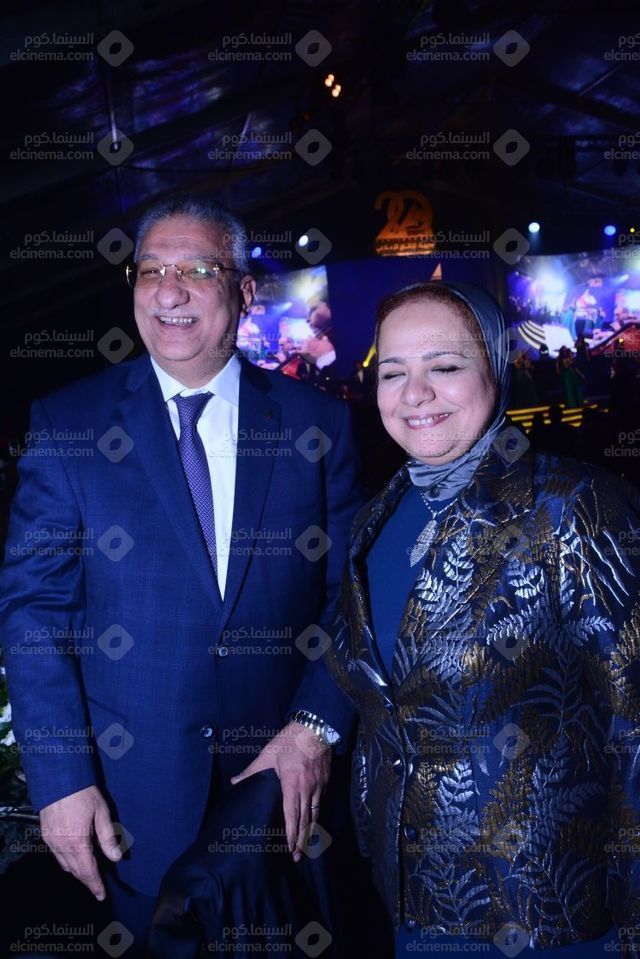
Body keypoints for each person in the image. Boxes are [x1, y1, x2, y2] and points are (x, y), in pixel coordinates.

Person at [0, 195, 363, 956]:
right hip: (135, 808)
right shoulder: (69, 424)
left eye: (197, 269)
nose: (168, 291)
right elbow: (35, 613)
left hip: (280, 800)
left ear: (244, 291)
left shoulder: (317, 425)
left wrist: (315, 726)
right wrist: (60, 777)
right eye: (150, 270)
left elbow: (348, 598)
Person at [326, 280, 640, 956]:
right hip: (409, 901)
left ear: (495, 369)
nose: (415, 394)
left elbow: (635, 727)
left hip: (546, 916)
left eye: (444, 366)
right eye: (393, 372)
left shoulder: (576, 506)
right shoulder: (377, 517)